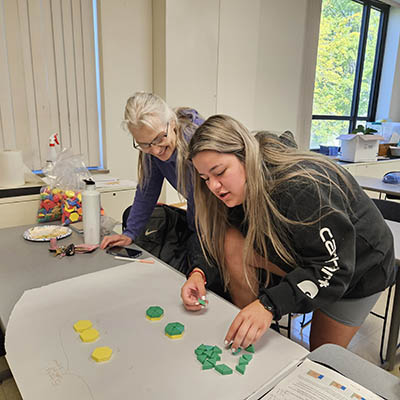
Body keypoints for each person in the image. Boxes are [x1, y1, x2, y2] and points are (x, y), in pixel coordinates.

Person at [180, 114, 395, 352]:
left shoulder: (300, 188)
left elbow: (334, 269)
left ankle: (261, 315)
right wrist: (199, 272)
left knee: (322, 355)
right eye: (205, 178)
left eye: (219, 172)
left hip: (358, 268)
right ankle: (255, 329)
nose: (213, 186)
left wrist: (269, 305)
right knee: (231, 239)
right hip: (302, 252)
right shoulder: (231, 186)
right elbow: (214, 233)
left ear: (245, 155)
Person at [100, 92, 210, 278]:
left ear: (172, 123)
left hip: (222, 216)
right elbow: (147, 191)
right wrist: (130, 233)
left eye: (160, 138)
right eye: (145, 144)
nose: (156, 150)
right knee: (131, 216)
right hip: (197, 218)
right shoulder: (152, 151)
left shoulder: (198, 139)